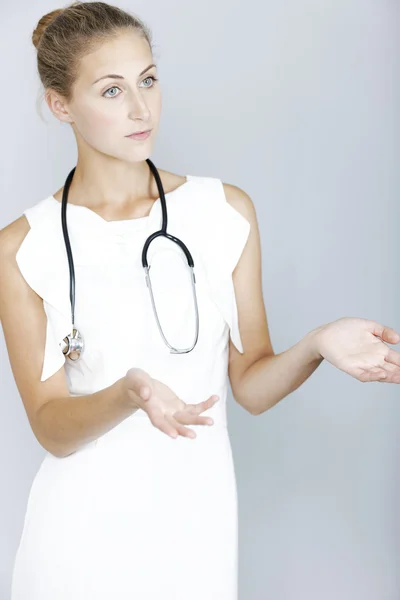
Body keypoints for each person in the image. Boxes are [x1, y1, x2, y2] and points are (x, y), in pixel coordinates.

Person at [0, 2, 399, 599]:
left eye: (149, 80)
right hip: (76, 544)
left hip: (194, 531)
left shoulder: (222, 213)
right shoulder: (22, 247)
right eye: (111, 91)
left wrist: (318, 344)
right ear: (62, 106)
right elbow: (52, 428)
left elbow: (251, 385)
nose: (141, 109)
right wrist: (128, 392)